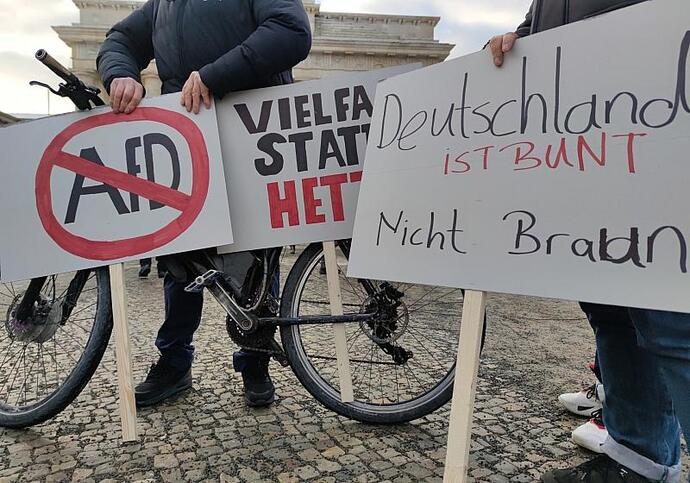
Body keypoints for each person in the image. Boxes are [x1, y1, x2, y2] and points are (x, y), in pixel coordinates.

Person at [489, 2, 690, 481]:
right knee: (613, 315)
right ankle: (638, 460)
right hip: (587, 150)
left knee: (674, 326)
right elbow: (543, 20)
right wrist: (516, 45)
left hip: (656, 127)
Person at [97, 0, 311, 408]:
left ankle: (256, 360)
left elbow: (291, 30)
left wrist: (214, 75)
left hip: (253, 134)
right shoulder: (162, 4)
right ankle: (174, 361)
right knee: (181, 258)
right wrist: (120, 73)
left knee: (257, 257)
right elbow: (121, 39)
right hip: (189, 139)